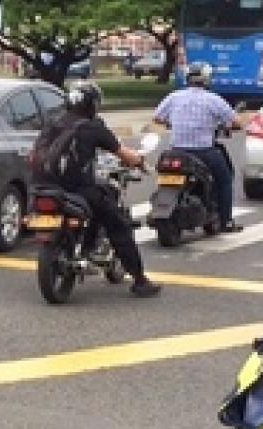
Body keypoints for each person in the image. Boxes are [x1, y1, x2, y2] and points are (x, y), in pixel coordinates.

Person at [51, 80, 161, 298]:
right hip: (80, 189)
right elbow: (123, 153)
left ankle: (87, 246)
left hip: (46, 187)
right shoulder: (92, 127)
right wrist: (139, 161)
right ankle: (139, 280)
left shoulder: (53, 124)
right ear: (91, 104)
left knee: (99, 204)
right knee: (119, 225)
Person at [153, 62, 246, 233]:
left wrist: (171, 123)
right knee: (225, 181)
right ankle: (226, 221)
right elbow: (237, 123)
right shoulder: (213, 99)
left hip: (176, 152)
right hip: (204, 152)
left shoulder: (174, 96)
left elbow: (157, 118)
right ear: (207, 79)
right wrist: (226, 127)